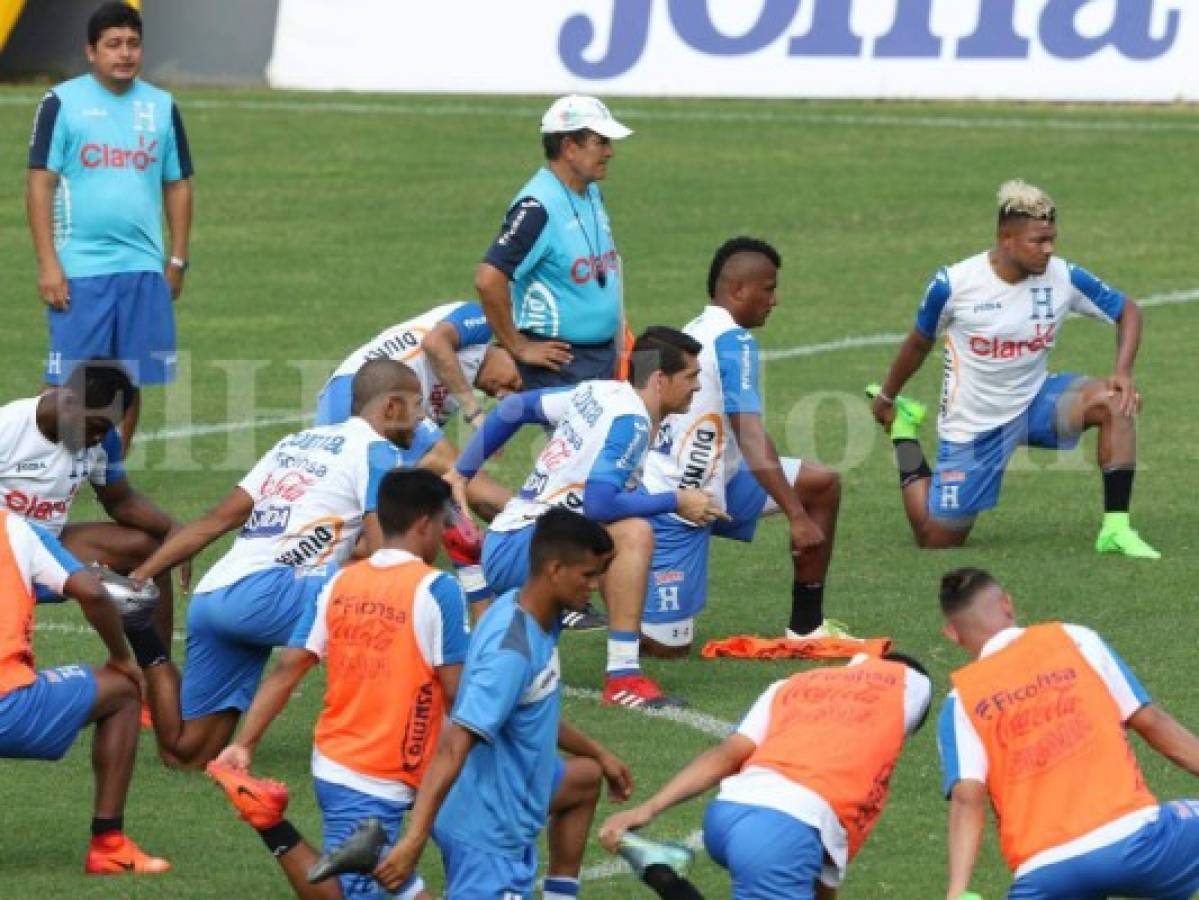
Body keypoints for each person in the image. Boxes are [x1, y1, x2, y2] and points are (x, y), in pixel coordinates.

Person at [126, 359, 426, 770]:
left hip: (215, 596)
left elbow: (218, 519)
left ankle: (148, 650)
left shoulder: (296, 442)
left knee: (186, 754)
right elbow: (383, 552)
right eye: (416, 405)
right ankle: (397, 745)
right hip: (270, 594)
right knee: (393, 618)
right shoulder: (380, 454)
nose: (421, 418)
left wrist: (141, 576)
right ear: (391, 406)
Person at [204, 469, 469, 900]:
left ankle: (273, 824)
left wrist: (245, 743)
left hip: (340, 764)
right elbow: (460, 697)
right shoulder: (437, 590)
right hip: (391, 773)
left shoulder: (340, 580)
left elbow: (289, 667)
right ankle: (271, 823)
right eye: (442, 523)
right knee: (370, 888)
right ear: (424, 523)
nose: (443, 534)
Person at [867, 180, 1158, 559]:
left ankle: (1116, 529)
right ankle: (905, 431)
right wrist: (888, 397)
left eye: (1052, 238)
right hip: (974, 424)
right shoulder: (954, 284)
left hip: (1035, 401)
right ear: (1006, 238)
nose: (1049, 249)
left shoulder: (1063, 277)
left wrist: (1123, 371)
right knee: (935, 538)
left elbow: (1127, 310)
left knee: (1115, 401)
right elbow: (919, 343)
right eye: (1039, 241)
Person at [363, 508, 633, 900]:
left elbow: (526, 708)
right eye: (589, 574)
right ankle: (396, 876)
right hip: (488, 828)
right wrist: (414, 840)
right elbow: (455, 743)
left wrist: (600, 754)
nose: (596, 585)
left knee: (584, 777)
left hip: (508, 793)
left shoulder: (526, 611)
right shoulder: (513, 653)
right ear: (555, 570)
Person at [448, 327, 725, 708]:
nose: (696, 387)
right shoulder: (634, 422)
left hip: (514, 536)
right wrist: (677, 500)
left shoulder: (600, 391)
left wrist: (461, 472)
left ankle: (475, 575)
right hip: (531, 550)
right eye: (691, 377)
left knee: (518, 669)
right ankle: (624, 676)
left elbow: (514, 408)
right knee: (633, 532)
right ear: (660, 380)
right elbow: (599, 503)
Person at [937, 567, 1199, 898]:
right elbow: (1151, 723)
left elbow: (967, 798)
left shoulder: (959, 701)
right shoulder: (1074, 639)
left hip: (1044, 874)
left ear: (953, 633)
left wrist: (956, 890)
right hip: (1136, 842)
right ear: (1007, 604)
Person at [642, 237, 847, 655]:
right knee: (667, 649)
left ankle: (806, 628)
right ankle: (622, 577)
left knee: (821, 484)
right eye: (768, 289)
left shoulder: (692, 329)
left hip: (721, 478)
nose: (775, 300)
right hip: (678, 505)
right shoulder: (733, 343)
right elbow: (752, 434)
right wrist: (796, 517)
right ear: (739, 289)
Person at [598, 651, 932, 899]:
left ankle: (663, 874)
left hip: (728, 814)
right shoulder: (909, 688)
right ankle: (661, 873)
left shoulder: (790, 685)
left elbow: (727, 755)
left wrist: (650, 807)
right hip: (782, 831)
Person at [26, 2, 194, 447]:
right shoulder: (62, 102)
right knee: (65, 380)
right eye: (114, 45)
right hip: (81, 267)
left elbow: (177, 185)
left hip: (142, 267)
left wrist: (176, 258)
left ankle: (109, 474)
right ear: (91, 52)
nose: (125, 53)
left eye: (133, 44)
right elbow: (40, 183)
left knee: (129, 378)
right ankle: (34, 467)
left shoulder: (161, 106)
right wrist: (48, 264)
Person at [315, 300, 521, 606]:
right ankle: (551, 540)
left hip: (347, 399)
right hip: (364, 392)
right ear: (510, 349)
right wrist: (476, 414)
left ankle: (327, 592)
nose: (505, 394)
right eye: (518, 382)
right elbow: (435, 343)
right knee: (465, 478)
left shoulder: (451, 384)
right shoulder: (484, 317)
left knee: (386, 530)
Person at [0, 508, 169, 874]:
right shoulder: (14, 528)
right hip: (7, 705)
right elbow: (92, 593)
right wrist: (122, 657)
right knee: (123, 691)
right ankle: (109, 845)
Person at [0, 360, 183, 650]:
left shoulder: (101, 440)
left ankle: (157, 672)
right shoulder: (8, 427)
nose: (99, 437)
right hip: (6, 551)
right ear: (69, 401)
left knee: (148, 550)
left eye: (106, 429)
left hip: (49, 542)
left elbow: (121, 501)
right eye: (95, 426)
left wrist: (177, 533)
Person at [475, 94, 632, 390]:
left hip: (602, 354)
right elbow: (488, 278)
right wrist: (518, 347)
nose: (610, 152)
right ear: (569, 147)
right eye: (601, 142)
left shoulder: (591, 193)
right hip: (564, 365)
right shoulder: (536, 209)